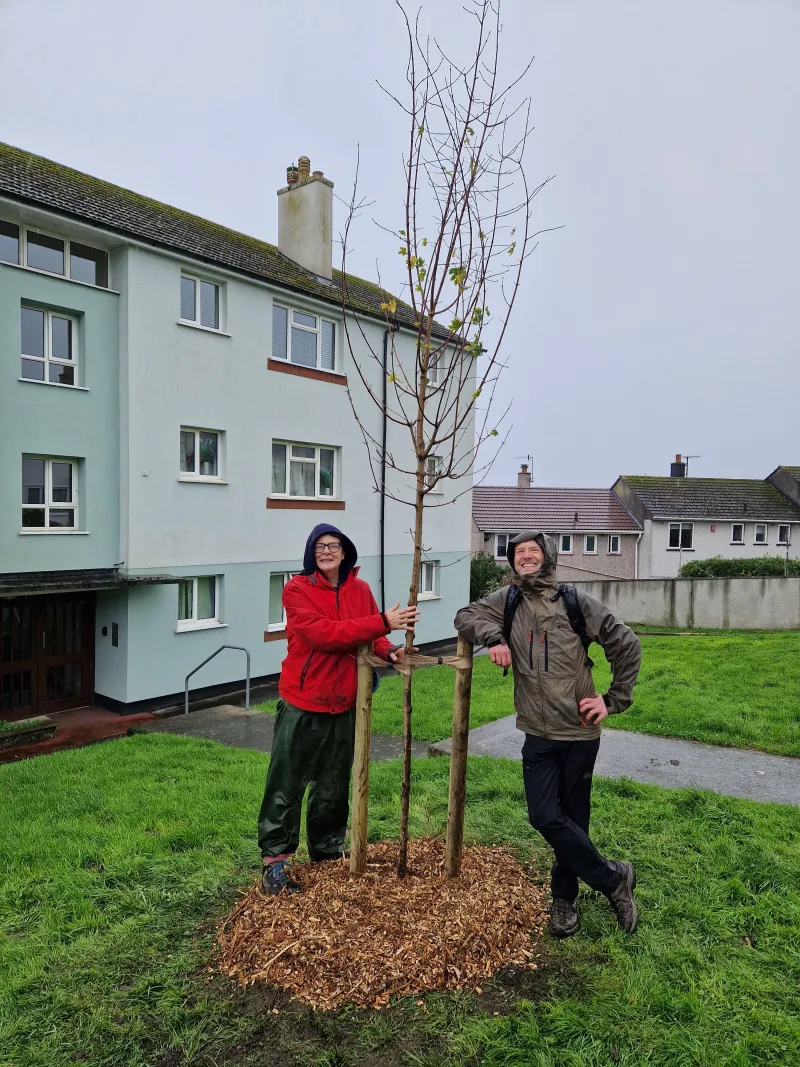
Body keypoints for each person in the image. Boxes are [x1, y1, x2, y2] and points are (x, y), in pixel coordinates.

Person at [454, 531, 642, 936]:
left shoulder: (574, 601)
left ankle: (563, 899)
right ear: (512, 562)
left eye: (532, 551)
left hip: (579, 732)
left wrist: (611, 701)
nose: (525, 557)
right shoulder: (508, 600)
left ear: (547, 557)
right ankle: (614, 878)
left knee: (574, 818)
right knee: (544, 815)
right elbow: (465, 615)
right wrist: (494, 638)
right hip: (536, 733)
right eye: (518, 552)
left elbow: (625, 643)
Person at [258, 523, 420, 895]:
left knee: (333, 785)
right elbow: (321, 634)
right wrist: (380, 622)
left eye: (334, 545)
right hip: (303, 702)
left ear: (345, 552)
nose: (327, 551)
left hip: (343, 704)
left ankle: (326, 854)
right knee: (286, 783)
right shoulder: (296, 589)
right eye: (319, 547)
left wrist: (389, 649)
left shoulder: (360, 590)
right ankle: (275, 864)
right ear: (310, 554)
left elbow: (372, 636)